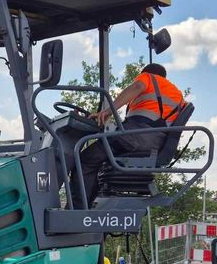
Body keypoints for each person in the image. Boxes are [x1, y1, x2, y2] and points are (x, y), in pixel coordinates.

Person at [69, 63, 185, 209]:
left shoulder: (149, 77)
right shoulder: (177, 95)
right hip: (154, 142)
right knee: (99, 158)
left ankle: (77, 212)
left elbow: (137, 87)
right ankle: (87, 205)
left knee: (84, 160)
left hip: (137, 137)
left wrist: (107, 112)